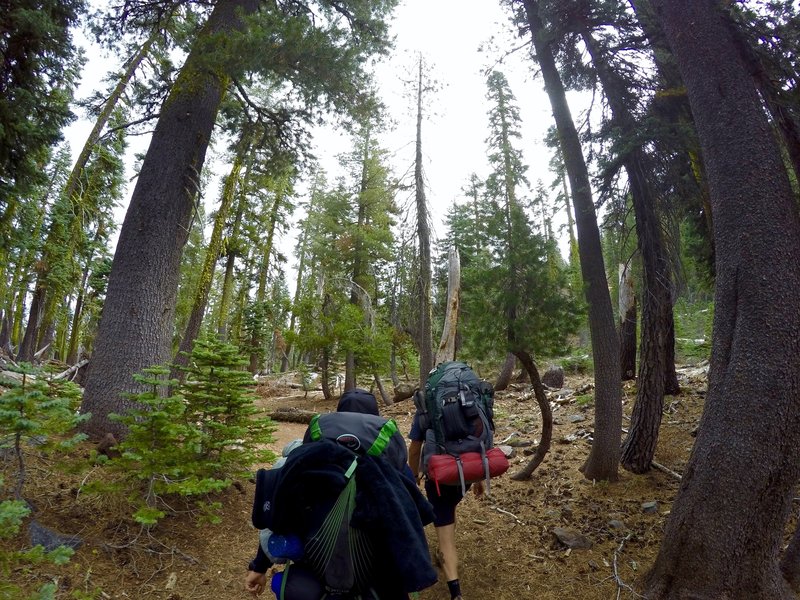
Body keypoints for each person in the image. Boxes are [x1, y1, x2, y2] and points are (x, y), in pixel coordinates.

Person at [245, 388, 436, 598]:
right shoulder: (392, 471)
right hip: (377, 576)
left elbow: (280, 514)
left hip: (316, 572)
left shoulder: (310, 465)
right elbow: (413, 515)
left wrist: (259, 566)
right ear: (375, 418)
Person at [408, 414, 483, 600]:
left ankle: (456, 593)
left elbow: (415, 448)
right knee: (449, 511)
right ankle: (446, 553)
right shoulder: (468, 401)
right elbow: (481, 435)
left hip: (439, 478)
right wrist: (479, 478)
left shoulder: (427, 405)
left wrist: (414, 475)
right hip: (466, 472)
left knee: (445, 538)